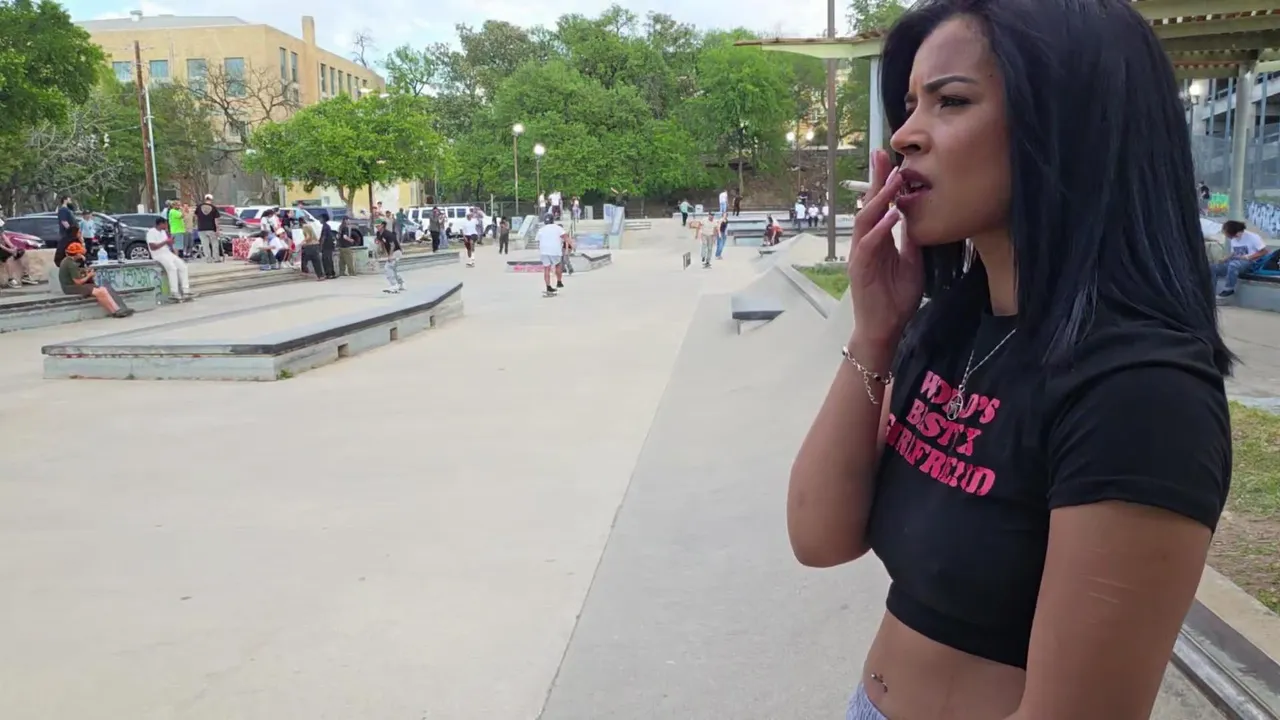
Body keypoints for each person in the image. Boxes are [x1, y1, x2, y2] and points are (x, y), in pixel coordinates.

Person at [790, 3, 1232, 719]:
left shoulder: (1141, 393)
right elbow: (819, 536)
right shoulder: (953, 327)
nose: (904, 135)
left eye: (950, 101)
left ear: (1062, 121)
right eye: (910, 104)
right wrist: (875, 333)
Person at [58, 241, 133, 317]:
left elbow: (74, 273)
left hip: (70, 286)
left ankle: (116, 310)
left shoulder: (67, 260)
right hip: (71, 288)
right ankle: (115, 311)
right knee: (100, 291)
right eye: (80, 253)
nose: (81, 254)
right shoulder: (71, 264)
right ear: (77, 254)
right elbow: (78, 282)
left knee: (103, 290)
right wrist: (89, 275)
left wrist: (84, 271)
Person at [1213, 219, 1269, 298]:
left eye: (1229, 235)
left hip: (1251, 262)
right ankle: (1210, 292)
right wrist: (1225, 258)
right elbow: (1235, 252)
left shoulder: (1253, 237)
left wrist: (1248, 257)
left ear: (1237, 232)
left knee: (1233, 265)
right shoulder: (1233, 239)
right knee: (1212, 268)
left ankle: (1229, 289)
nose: (1228, 237)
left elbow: (1264, 251)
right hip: (1237, 261)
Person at [147, 217, 192, 301]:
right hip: (158, 254)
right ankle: (174, 292)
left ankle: (186, 291)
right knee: (172, 268)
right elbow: (152, 247)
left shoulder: (163, 232)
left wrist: (170, 242)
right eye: (165, 224)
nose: (167, 226)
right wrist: (166, 242)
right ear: (161, 224)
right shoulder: (151, 232)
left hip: (167, 253)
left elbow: (167, 244)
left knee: (183, 266)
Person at [536, 214, 568, 295]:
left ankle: (548, 286)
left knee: (546, 268)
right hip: (555, 250)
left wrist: (541, 249)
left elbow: (538, 241)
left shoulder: (541, 229)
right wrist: (572, 245)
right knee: (558, 265)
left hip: (544, 251)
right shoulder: (558, 228)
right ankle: (559, 282)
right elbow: (565, 237)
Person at [376, 219, 404, 294]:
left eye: (378, 226)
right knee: (393, 269)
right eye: (376, 226)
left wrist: (390, 255)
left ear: (382, 225)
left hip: (396, 252)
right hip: (392, 252)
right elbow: (382, 243)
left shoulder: (388, 234)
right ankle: (401, 284)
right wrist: (382, 252)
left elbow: (393, 245)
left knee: (388, 267)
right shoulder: (379, 234)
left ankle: (394, 285)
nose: (377, 227)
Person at [194, 194, 222, 262]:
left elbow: (195, 216)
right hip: (211, 228)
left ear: (205, 199)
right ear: (211, 199)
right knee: (214, 243)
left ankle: (208, 259)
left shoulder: (199, 207)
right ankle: (216, 258)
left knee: (205, 244)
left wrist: (198, 223)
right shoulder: (214, 208)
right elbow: (216, 220)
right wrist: (217, 229)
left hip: (201, 228)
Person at [54, 195, 77, 266]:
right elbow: (64, 221)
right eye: (69, 200)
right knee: (67, 249)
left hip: (70, 234)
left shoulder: (68, 210)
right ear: (65, 200)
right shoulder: (63, 210)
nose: (71, 201)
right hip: (67, 234)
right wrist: (71, 230)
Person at [318, 211, 338, 279]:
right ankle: (331, 273)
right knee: (329, 259)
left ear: (323, 219)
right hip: (329, 245)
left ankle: (329, 274)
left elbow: (323, 237)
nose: (319, 220)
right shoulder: (327, 226)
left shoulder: (325, 227)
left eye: (320, 218)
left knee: (326, 260)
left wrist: (320, 246)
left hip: (326, 246)